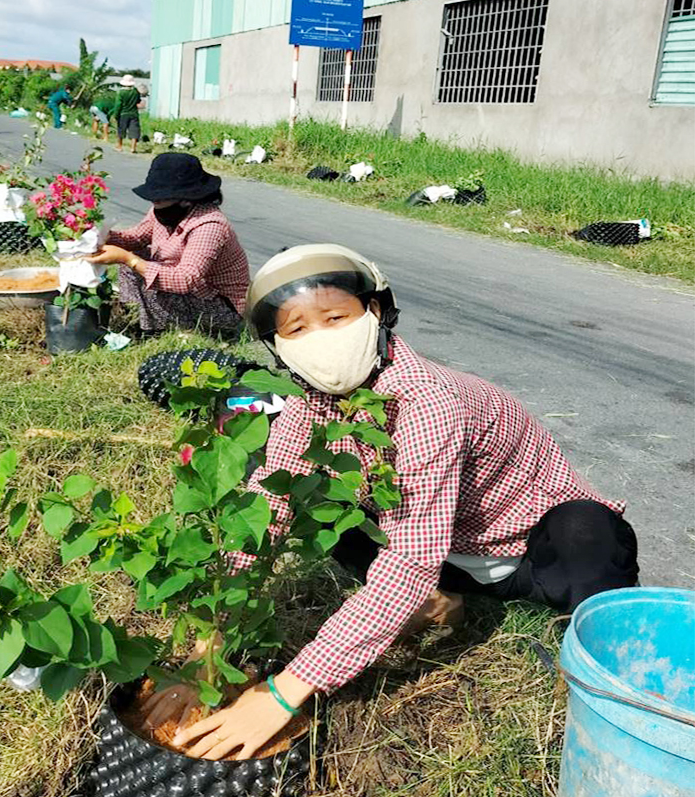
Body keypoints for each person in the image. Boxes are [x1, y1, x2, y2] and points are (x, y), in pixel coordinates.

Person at [149, 243, 639, 760]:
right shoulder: (307, 409)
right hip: (447, 556)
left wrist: (282, 691)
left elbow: (407, 560)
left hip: (530, 552)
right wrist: (208, 646)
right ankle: (445, 600)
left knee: (585, 531)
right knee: (325, 511)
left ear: (376, 311)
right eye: (296, 329)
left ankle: (602, 654)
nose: (320, 339)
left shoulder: (427, 402)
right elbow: (265, 516)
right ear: (277, 346)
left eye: (335, 316)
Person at [87, 153, 249, 337]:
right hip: (194, 294)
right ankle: (137, 321)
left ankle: (160, 331)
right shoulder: (164, 210)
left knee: (144, 275)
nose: (155, 205)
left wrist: (127, 258)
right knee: (133, 261)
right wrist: (101, 237)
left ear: (186, 199)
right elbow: (136, 237)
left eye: (160, 199)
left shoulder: (209, 226)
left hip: (218, 306)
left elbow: (186, 279)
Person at [112, 74, 142, 152]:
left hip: (123, 114)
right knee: (134, 130)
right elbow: (138, 101)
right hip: (134, 113)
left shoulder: (121, 93)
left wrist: (115, 115)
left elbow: (118, 105)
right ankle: (133, 148)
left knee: (121, 130)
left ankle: (120, 146)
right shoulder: (135, 91)